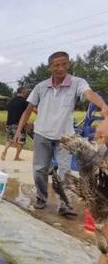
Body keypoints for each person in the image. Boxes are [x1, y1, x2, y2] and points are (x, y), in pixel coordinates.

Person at [15, 51, 108, 215]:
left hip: (65, 137)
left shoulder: (77, 83)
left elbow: (89, 94)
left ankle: (65, 205)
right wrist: (18, 131)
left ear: (69, 64)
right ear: (49, 67)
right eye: (56, 65)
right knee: (39, 170)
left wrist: (102, 105)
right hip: (42, 134)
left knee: (65, 172)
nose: (61, 68)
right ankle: (41, 198)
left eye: (64, 64)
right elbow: (28, 110)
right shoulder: (41, 87)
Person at [1, 86, 30, 161]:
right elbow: (31, 110)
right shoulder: (24, 101)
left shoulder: (11, 101)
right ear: (23, 92)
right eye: (26, 92)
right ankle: (16, 157)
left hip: (9, 123)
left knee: (9, 139)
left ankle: (5, 151)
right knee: (21, 141)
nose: (27, 93)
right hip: (18, 124)